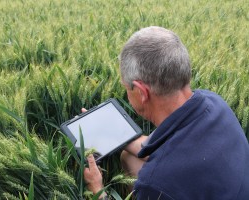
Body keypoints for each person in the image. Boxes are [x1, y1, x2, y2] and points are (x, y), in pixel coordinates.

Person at [83, 26, 249, 200]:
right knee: (129, 157)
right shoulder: (214, 103)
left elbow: (165, 169)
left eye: (126, 88)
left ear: (141, 92)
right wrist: (114, 132)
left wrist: (97, 190)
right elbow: (164, 146)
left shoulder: (157, 185)